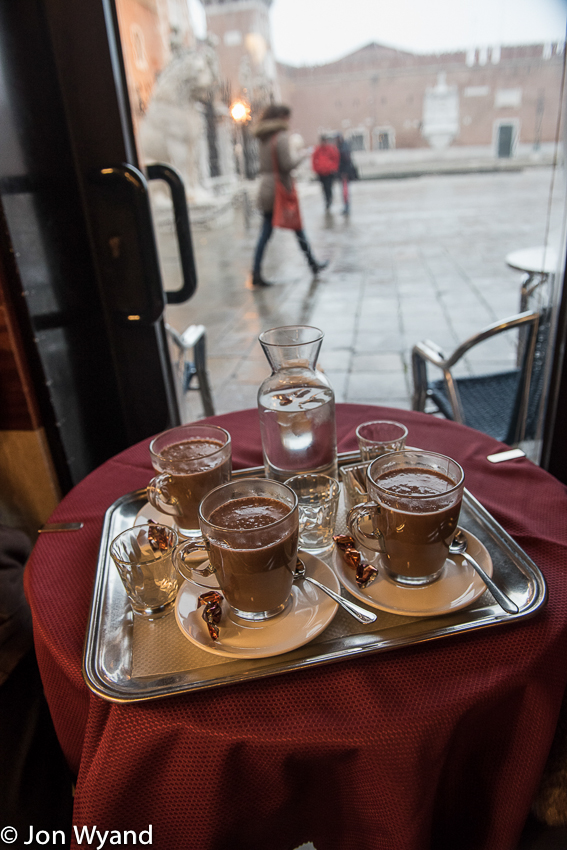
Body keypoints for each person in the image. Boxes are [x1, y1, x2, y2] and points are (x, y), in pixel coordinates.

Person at [250, 104, 327, 288]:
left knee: (267, 233)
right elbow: (287, 164)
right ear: (281, 117)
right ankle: (312, 264)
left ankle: (257, 272)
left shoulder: (263, 137)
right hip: (279, 189)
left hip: (266, 187)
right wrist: (302, 155)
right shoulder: (281, 136)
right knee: (294, 227)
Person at [311, 134, 340, 211]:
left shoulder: (330, 149)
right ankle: (327, 200)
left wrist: (333, 168)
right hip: (321, 172)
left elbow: (335, 159)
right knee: (324, 187)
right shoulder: (318, 150)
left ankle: (329, 199)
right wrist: (316, 169)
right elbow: (314, 160)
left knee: (329, 186)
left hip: (329, 172)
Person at [336, 134, 355, 215]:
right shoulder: (343, 146)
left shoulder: (343, 148)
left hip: (344, 172)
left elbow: (345, 160)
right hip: (344, 171)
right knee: (345, 190)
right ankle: (346, 206)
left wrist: (344, 172)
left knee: (345, 190)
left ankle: (346, 206)